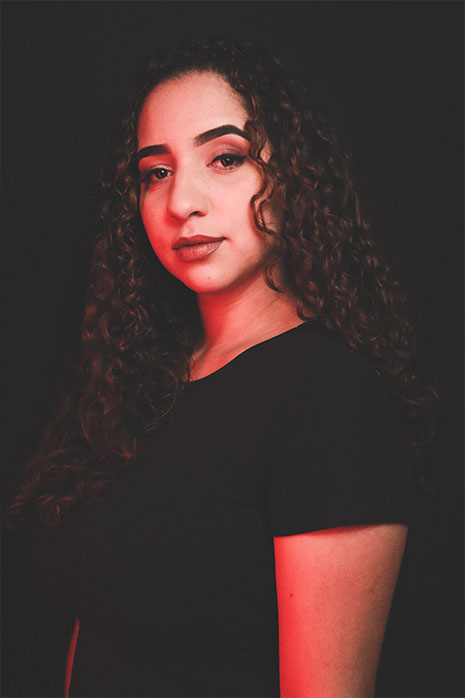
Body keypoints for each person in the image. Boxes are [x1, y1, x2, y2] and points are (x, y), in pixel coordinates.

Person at [4, 38, 437, 698]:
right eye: (156, 172)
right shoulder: (134, 378)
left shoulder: (329, 398)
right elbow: (95, 621)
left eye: (226, 158)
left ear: (291, 173)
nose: (182, 201)